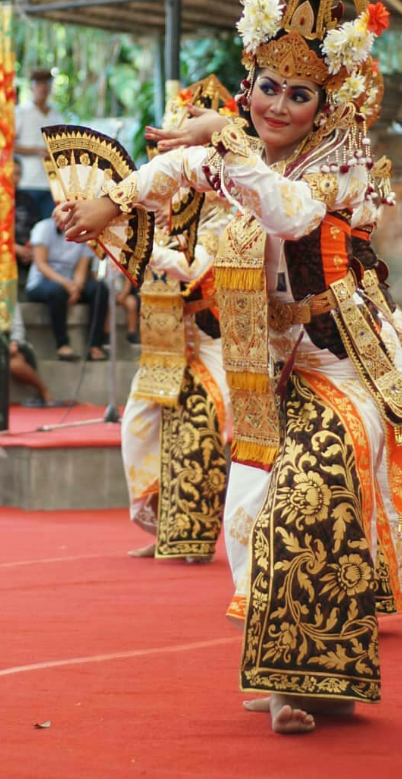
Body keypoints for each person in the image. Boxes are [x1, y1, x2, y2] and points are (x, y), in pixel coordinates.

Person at [59, 0, 402, 735]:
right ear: (249, 80)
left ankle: (304, 683)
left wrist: (220, 145)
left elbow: (289, 210)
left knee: (311, 494)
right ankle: (291, 676)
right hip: (263, 371)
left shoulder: (346, 166)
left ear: (326, 101)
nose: (276, 104)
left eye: (298, 93)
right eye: (265, 86)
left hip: (343, 365)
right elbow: (176, 181)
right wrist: (109, 209)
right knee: (250, 518)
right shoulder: (232, 157)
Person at [121, 202, 232, 562]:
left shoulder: (225, 215)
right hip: (164, 340)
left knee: (200, 432)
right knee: (137, 429)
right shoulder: (163, 215)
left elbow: (190, 267)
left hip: (211, 341)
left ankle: (194, 539)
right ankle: (164, 532)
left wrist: (138, 243)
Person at [0, 265, 54, 406]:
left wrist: (13, 343)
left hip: (16, 347)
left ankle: (43, 390)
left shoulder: (8, 299)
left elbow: (18, 329)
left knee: (15, 365)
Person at [25, 214, 108, 362]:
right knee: (56, 291)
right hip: (42, 282)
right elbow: (41, 265)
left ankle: (94, 345)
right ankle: (62, 344)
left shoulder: (84, 232)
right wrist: (66, 284)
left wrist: (77, 287)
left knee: (100, 289)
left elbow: (82, 267)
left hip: (70, 282)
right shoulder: (43, 227)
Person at [14, 68, 63, 220]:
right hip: (26, 180)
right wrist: (36, 150)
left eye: (47, 83)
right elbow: (8, 146)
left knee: (49, 226)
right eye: (39, 84)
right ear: (31, 86)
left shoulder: (56, 114)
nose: (43, 88)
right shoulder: (20, 112)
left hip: (52, 183)